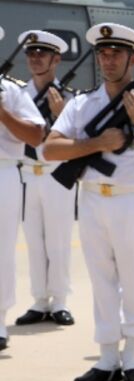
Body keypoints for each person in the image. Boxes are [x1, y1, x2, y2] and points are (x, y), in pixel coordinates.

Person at [45, 23, 134, 381]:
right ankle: (106, 357)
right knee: (101, 280)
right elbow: (51, 149)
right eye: (103, 53)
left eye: (116, 53)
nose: (108, 59)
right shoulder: (83, 104)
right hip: (91, 199)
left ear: (132, 58)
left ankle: (133, 357)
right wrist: (97, 143)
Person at [14, 30, 77, 328]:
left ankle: (60, 300)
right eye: (31, 53)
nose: (35, 59)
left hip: (55, 175)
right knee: (34, 240)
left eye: (42, 54)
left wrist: (61, 114)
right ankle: (39, 300)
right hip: (26, 173)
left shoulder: (70, 98)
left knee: (59, 240)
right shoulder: (17, 94)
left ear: (56, 59)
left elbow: (81, 139)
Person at [0, 26, 48, 350]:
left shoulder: (11, 91)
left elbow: (35, 137)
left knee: (1, 250)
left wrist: (2, 112)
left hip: (2, 171)